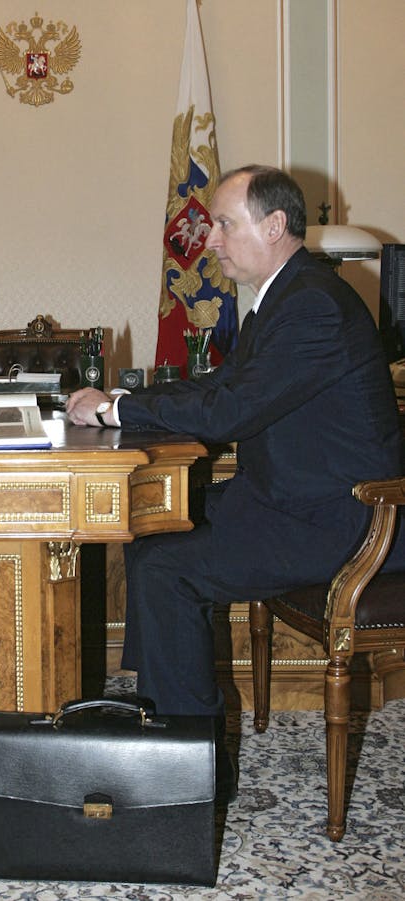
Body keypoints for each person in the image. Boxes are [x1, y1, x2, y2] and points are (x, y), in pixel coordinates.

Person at [66, 165, 402, 798]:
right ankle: (166, 712)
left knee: (169, 567)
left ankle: (190, 767)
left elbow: (231, 412)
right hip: (285, 499)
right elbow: (221, 389)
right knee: (152, 526)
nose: (210, 240)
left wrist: (120, 412)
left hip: (339, 520)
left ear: (274, 226)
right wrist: (122, 399)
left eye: (224, 223)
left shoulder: (311, 306)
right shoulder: (285, 298)